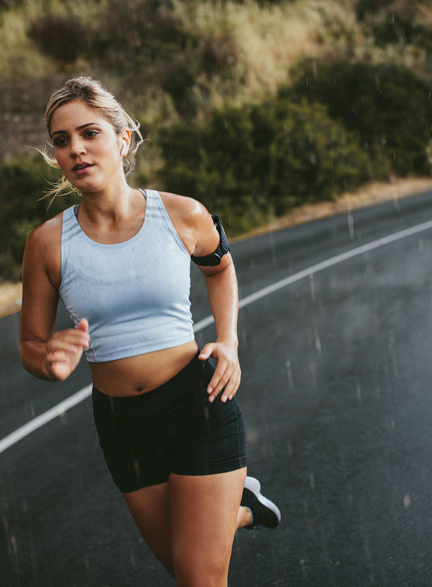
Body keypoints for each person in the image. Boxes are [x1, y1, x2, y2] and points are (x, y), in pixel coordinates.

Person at [19, 76, 280, 585]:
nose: (75, 148)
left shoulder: (181, 215)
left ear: (122, 139)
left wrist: (228, 340)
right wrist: (48, 361)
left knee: (201, 580)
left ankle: (233, 504)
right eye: (61, 140)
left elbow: (220, 268)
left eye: (89, 133)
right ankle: (241, 508)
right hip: (122, 424)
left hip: (197, 401)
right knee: (186, 572)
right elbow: (30, 345)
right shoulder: (47, 243)